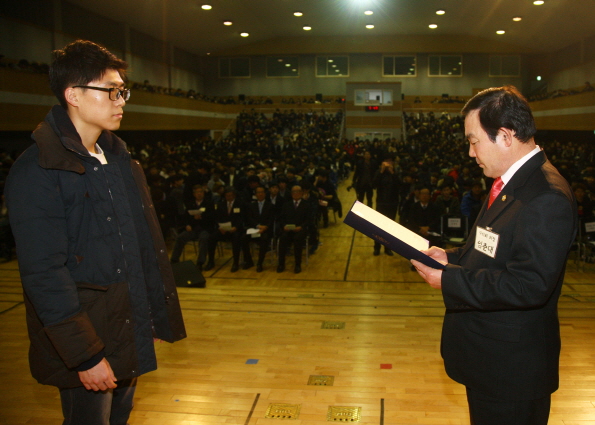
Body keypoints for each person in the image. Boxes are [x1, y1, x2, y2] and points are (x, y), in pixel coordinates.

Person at [4, 40, 186, 425]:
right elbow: (44, 275)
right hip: (86, 343)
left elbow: (137, 249)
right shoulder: (38, 170)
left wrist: (147, 316)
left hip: (125, 326)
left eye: (124, 91)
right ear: (73, 94)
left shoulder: (120, 159)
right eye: (111, 90)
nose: (121, 100)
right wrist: (85, 355)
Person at [412, 86, 577, 425]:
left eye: (474, 141)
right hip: (491, 362)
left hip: (512, 373)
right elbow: (488, 248)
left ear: (505, 135)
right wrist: (451, 256)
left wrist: (449, 279)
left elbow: (528, 285)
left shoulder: (546, 197)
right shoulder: (510, 183)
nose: (471, 153)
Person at [170, 184, 216, 269]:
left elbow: (213, 217)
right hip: (193, 228)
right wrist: (187, 225)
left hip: (205, 228)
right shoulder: (190, 204)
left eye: (201, 192)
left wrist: (201, 217)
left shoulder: (209, 203)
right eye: (197, 192)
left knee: (203, 238)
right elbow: (185, 217)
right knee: (180, 237)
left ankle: (200, 262)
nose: (199, 194)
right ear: (194, 194)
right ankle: (174, 260)